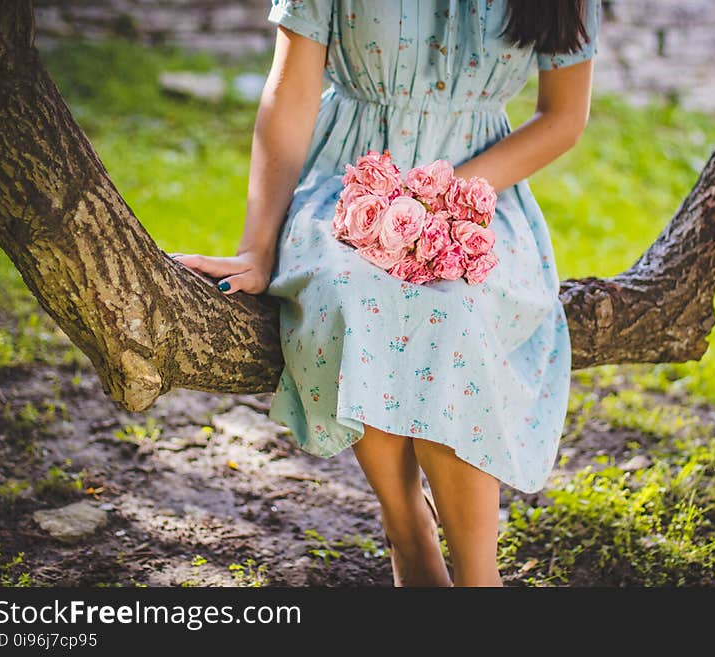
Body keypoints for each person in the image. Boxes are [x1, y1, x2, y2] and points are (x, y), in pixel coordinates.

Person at [172, 0, 599, 587]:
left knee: (455, 312)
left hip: (479, 189)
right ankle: (410, 534)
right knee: (353, 295)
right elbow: (292, 90)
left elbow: (564, 116)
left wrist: (448, 193)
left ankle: (480, 578)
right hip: (350, 183)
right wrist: (257, 247)